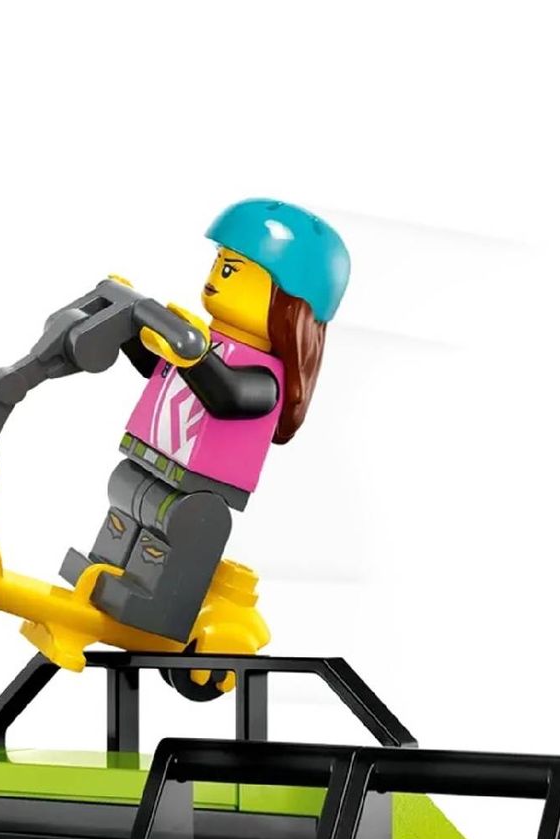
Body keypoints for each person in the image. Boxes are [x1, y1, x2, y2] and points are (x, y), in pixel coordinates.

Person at [60, 198, 350, 642]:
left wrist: (194, 356)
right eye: (217, 263)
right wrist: (133, 330)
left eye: (230, 269)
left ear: (286, 301)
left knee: (170, 528)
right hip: (150, 461)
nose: (215, 277)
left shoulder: (264, 376)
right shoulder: (200, 340)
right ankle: (108, 568)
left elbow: (228, 395)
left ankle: (154, 602)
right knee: (125, 502)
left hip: (199, 488)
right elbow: (157, 367)